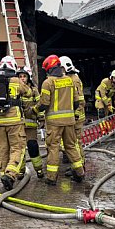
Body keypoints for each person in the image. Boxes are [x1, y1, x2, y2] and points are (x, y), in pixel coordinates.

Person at [0, 56, 32, 190]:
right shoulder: (16, 81)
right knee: (17, 148)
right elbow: (28, 92)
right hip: (15, 122)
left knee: (3, 150)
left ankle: (4, 175)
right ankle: (10, 175)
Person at [33, 55, 84, 185]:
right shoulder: (69, 80)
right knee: (71, 146)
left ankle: (51, 178)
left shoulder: (48, 82)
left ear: (49, 69)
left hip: (54, 123)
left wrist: (34, 110)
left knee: (53, 147)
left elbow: (44, 103)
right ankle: (80, 173)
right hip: (70, 121)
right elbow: (77, 102)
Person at [17, 66, 44, 178]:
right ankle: (20, 171)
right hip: (18, 125)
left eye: (24, 76)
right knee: (20, 148)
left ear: (28, 78)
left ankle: (39, 169)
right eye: (20, 76)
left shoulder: (34, 90)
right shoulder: (15, 89)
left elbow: (40, 104)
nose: (22, 79)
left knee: (32, 146)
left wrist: (41, 118)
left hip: (31, 125)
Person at [59, 56, 86, 167]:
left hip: (76, 116)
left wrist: (75, 114)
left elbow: (79, 100)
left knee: (75, 142)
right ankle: (76, 165)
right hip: (75, 115)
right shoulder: (73, 78)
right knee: (73, 142)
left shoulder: (73, 80)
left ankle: (80, 166)